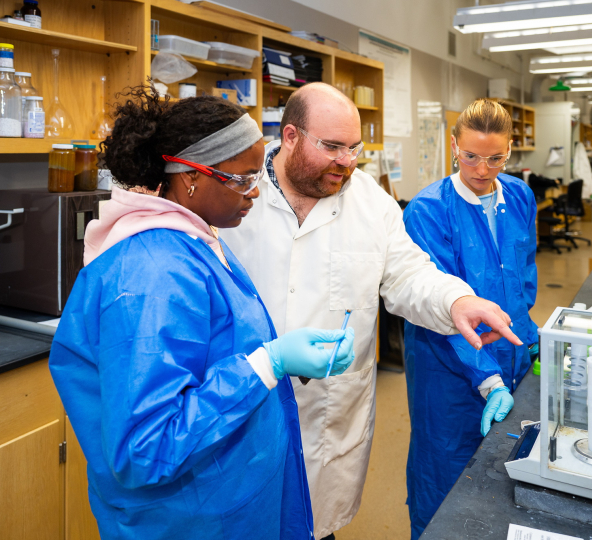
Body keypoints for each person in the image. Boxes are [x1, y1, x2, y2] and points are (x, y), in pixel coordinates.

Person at [48, 87, 356, 540]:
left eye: (258, 177)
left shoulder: (195, 240)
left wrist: (278, 357)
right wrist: (267, 364)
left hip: (228, 496)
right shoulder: (153, 274)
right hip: (188, 519)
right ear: (190, 177)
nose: (254, 192)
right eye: (242, 179)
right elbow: (146, 448)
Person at [218, 83, 522, 540]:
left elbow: (408, 275)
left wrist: (457, 299)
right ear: (292, 136)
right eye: (332, 147)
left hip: (327, 417)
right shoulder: (234, 198)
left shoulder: (370, 203)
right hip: (242, 410)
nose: (346, 161)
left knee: (314, 526)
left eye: (354, 148)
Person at [402, 98, 539, 539]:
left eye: (496, 157)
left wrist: (531, 342)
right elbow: (439, 308)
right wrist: (488, 378)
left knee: (504, 485)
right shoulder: (428, 211)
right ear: (454, 146)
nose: (482, 169)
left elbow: (523, 280)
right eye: (471, 156)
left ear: (510, 149)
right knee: (443, 482)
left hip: (513, 358)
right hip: (447, 370)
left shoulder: (519, 195)